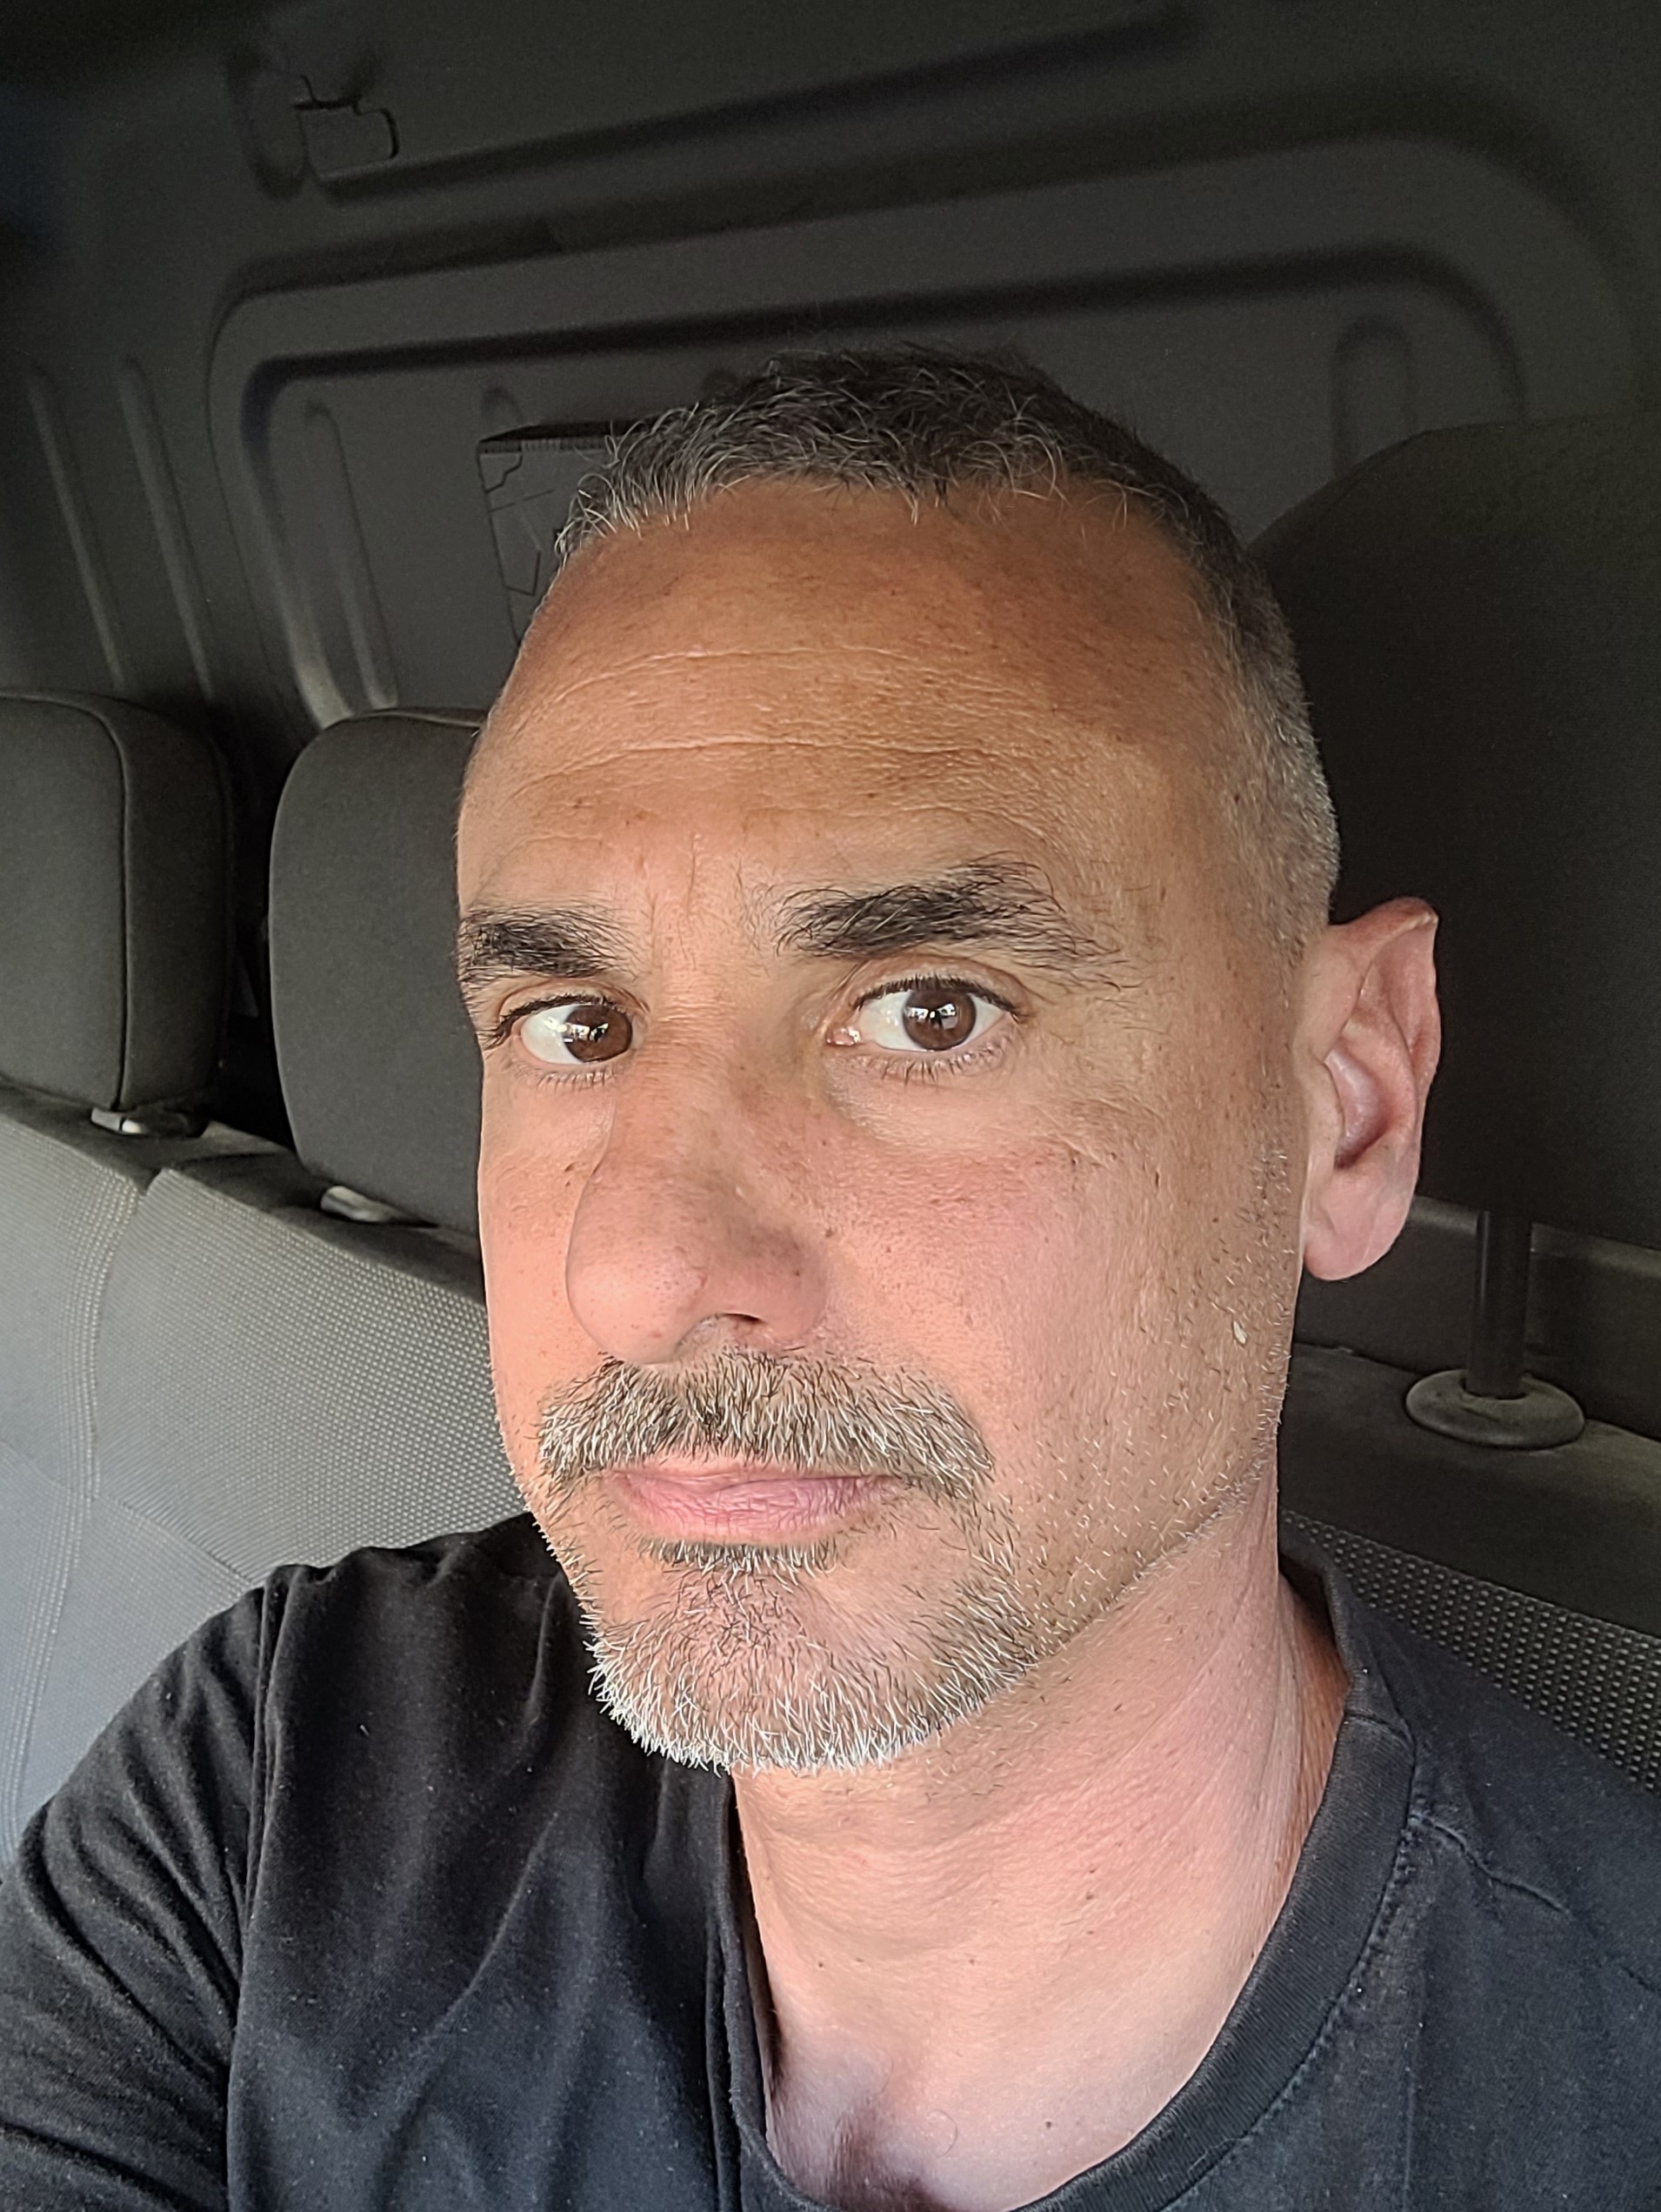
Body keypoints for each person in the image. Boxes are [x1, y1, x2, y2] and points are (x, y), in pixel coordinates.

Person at [3, 349, 1659, 2211]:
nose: (640, 1273)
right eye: (574, 1024)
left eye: (928, 1012)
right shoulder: (284, 1777)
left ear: (1347, 1109)